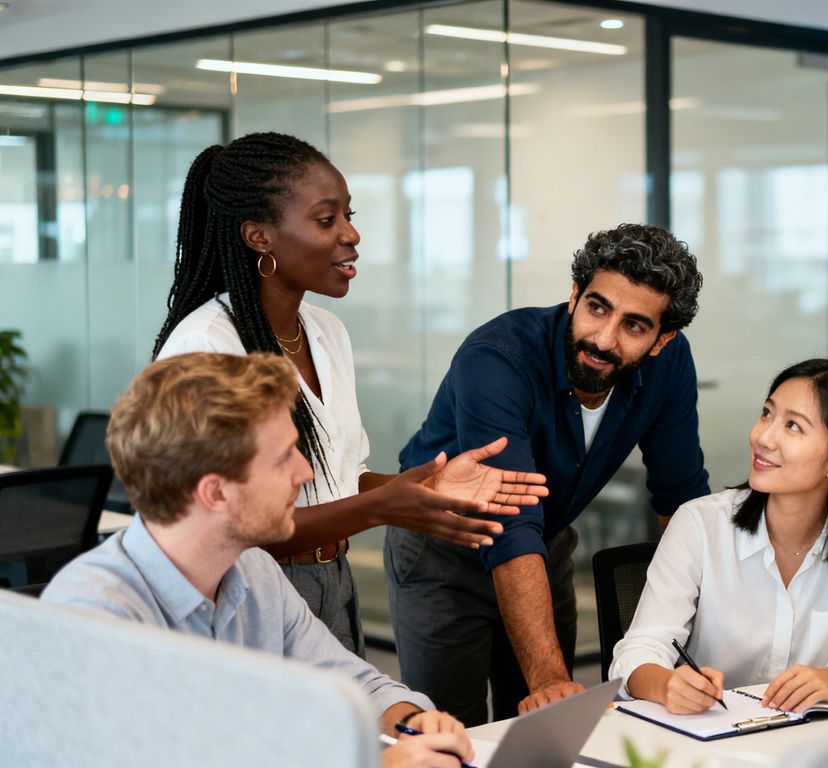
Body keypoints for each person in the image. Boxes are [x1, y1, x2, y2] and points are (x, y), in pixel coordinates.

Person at [152, 132, 548, 656]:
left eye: (348, 215)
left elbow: (340, 480)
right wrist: (385, 508)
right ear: (259, 236)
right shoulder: (208, 347)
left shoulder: (324, 333)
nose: (351, 234)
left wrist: (423, 486)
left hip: (332, 581)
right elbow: (229, 525)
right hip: (244, 595)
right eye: (326, 219)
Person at [44, 352, 475, 768]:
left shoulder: (254, 570)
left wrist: (413, 722)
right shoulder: (92, 617)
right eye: (283, 456)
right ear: (216, 492)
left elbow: (351, 684)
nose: (304, 472)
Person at [387, 223, 710, 724]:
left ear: (662, 339)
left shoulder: (669, 366)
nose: (603, 339)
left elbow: (682, 498)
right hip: (443, 551)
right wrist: (549, 680)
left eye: (634, 325)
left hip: (549, 539)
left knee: (544, 730)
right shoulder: (498, 358)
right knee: (452, 729)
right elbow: (511, 525)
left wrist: (712, 622)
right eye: (597, 308)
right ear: (575, 294)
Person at [609, 360, 828, 714]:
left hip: (805, 744)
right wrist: (668, 685)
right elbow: (638, 650)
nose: (762, 437)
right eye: (766, 414)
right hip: (708, 740)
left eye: (793, 426)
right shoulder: (699, 523)